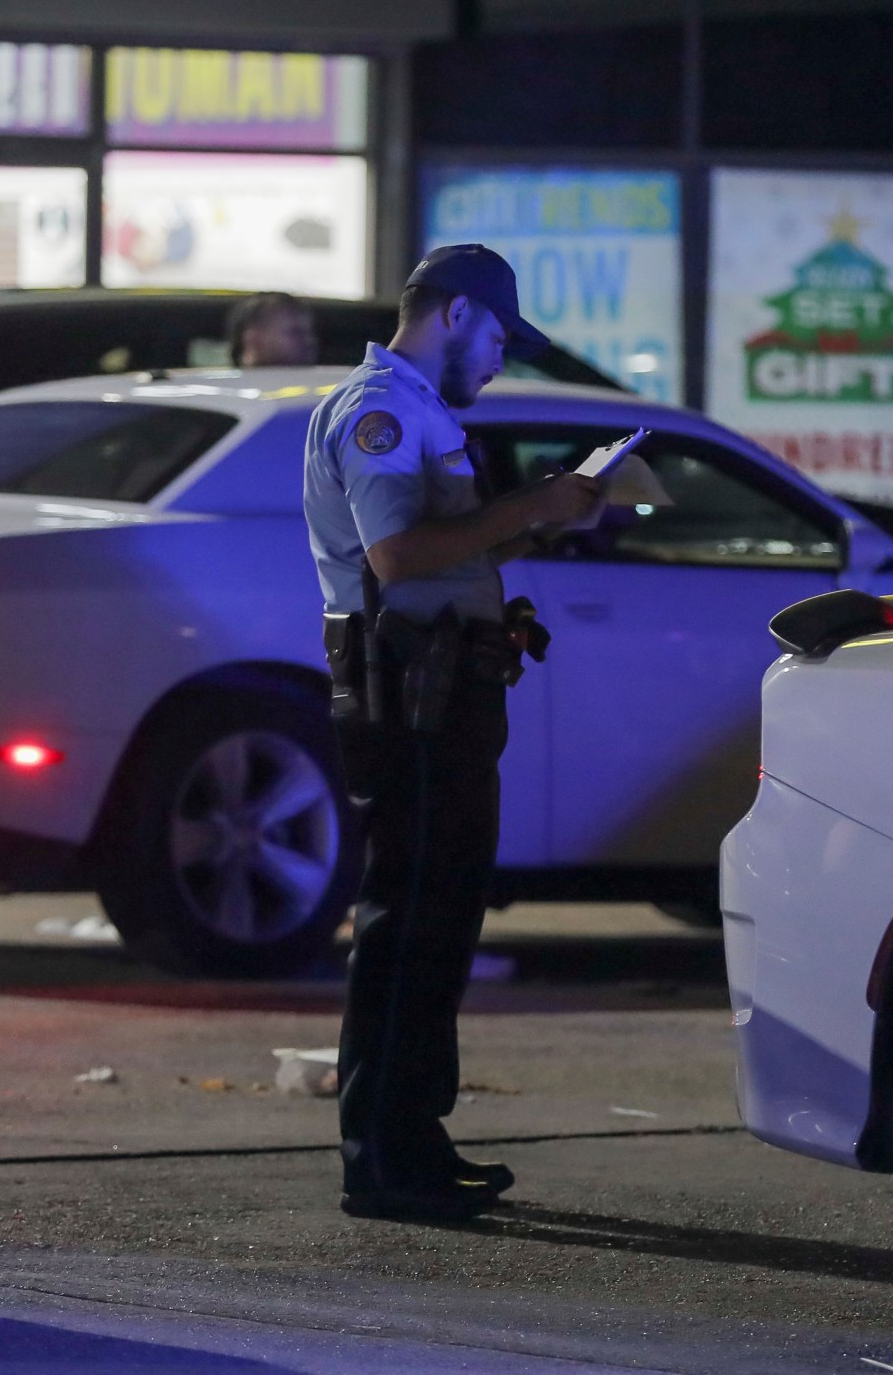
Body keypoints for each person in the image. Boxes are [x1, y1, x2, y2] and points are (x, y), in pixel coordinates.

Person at [302, 245, 603, 1222]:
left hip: (442, 693)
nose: (501, 362)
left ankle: (411, 1143)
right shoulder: (379, 412)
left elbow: (441, 556)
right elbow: (395, 556)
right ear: (458, 315)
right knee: (411, 923)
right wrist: (528, 507)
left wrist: (537, 524)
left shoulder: (419, 413)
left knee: (438, 923)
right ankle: (384, 1159)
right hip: (410, 699)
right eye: (499, 340)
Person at [228, 291, 318, 368]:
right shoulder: (220, 385)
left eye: (307, 332)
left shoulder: (322, 385)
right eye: (295, 332)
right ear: (255, 338)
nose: (309, 341)